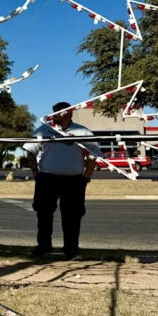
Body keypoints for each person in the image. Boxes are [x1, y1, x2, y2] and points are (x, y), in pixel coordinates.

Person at [23, 102, 101, 260]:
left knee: (72, 216)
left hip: (74, 181)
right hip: (47, 179)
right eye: (55, 112)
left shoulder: (82, 131)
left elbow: (93, 155)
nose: (57, 115)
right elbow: (30, 153)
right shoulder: (43, 130)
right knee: (44, 214)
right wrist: (36, 174)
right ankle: (43, 247)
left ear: (70, 113)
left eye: (61, 112)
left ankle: (71, 250)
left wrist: (86, 177)